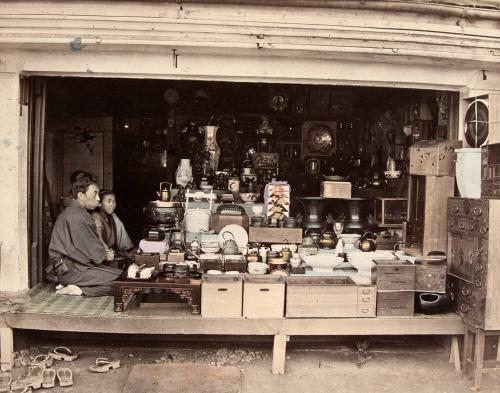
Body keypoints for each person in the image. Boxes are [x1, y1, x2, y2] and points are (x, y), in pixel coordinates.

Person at [48, 178, 122, 296]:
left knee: (117, 274)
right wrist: (106, 255)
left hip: (69, 268)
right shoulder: (79, 216)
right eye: (95, 193)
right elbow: (91, 248)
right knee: (122, 283)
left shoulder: (74, 211)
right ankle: (79, 290)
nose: (98, 198)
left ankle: (73, 284)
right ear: (81, 195)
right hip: (71, 270)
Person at [92, 189, 135, 256]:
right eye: (109, 201)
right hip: (101, 255)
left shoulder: (113, 216)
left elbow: (122, 242)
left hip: (111, 254)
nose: (112, 204)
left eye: (114, 201)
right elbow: (98, 241)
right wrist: (108, 253)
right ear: (99, 203)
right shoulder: (96, 218)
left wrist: (125, 253)